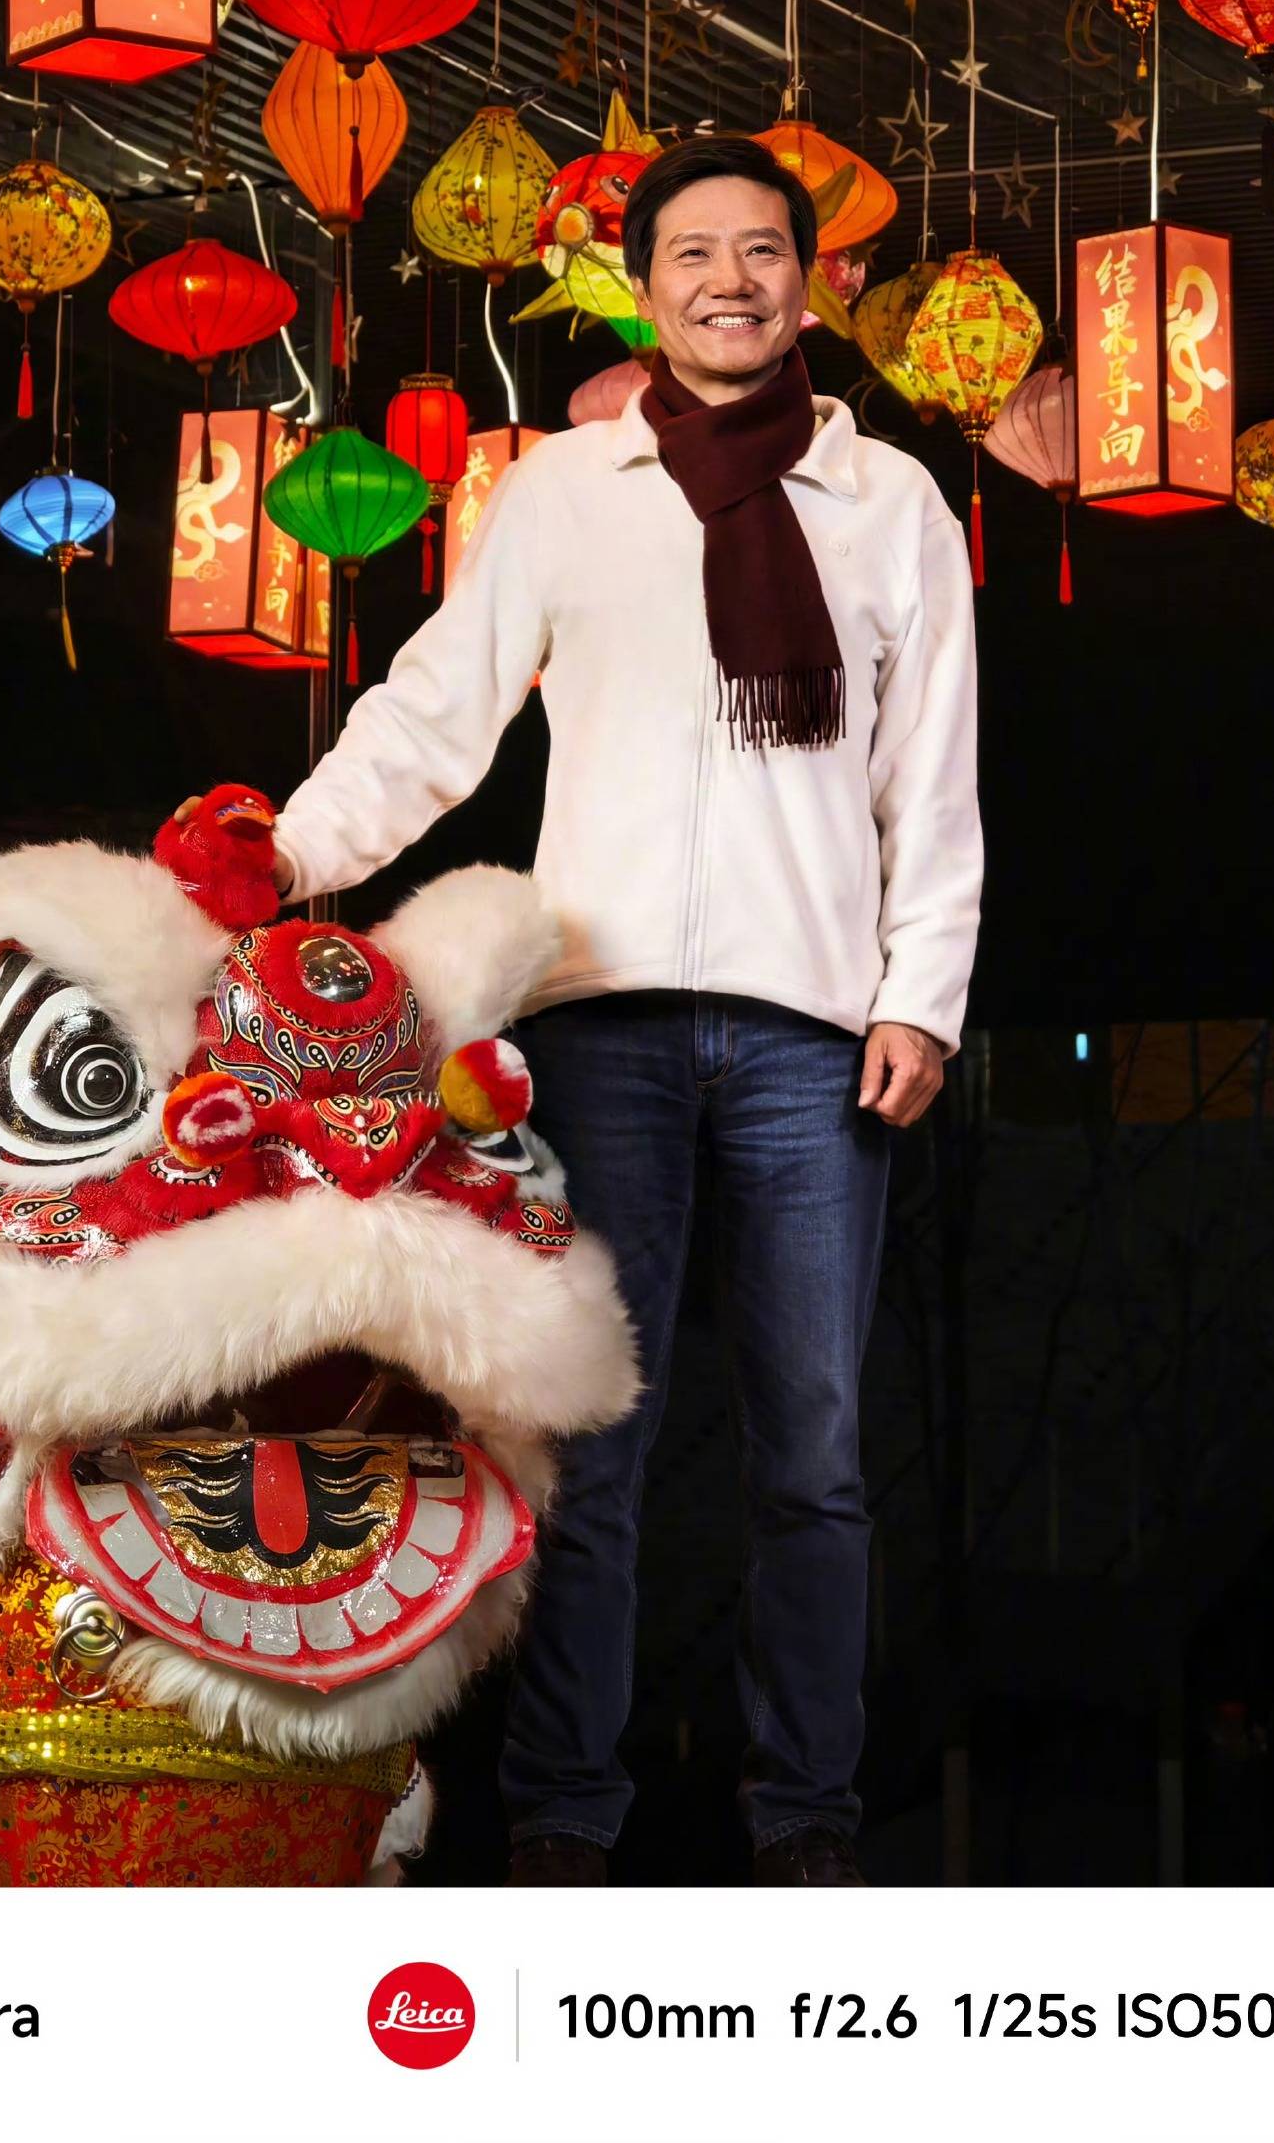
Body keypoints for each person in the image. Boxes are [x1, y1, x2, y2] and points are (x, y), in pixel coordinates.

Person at [268, 137, 980, 1886]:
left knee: (815, 1452)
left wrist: (923, 996)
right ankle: (564, 1820)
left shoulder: (891, 502)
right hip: (599, 1030)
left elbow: (933, 774)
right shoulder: (563, 493)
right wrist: (278, 858)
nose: (730, 281)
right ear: (643, 288)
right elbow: (436, 713)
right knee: (591, 1438)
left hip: (815, 1031)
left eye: (762, 252)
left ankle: (806, 1820)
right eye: (692, 255)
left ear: (813, 286)